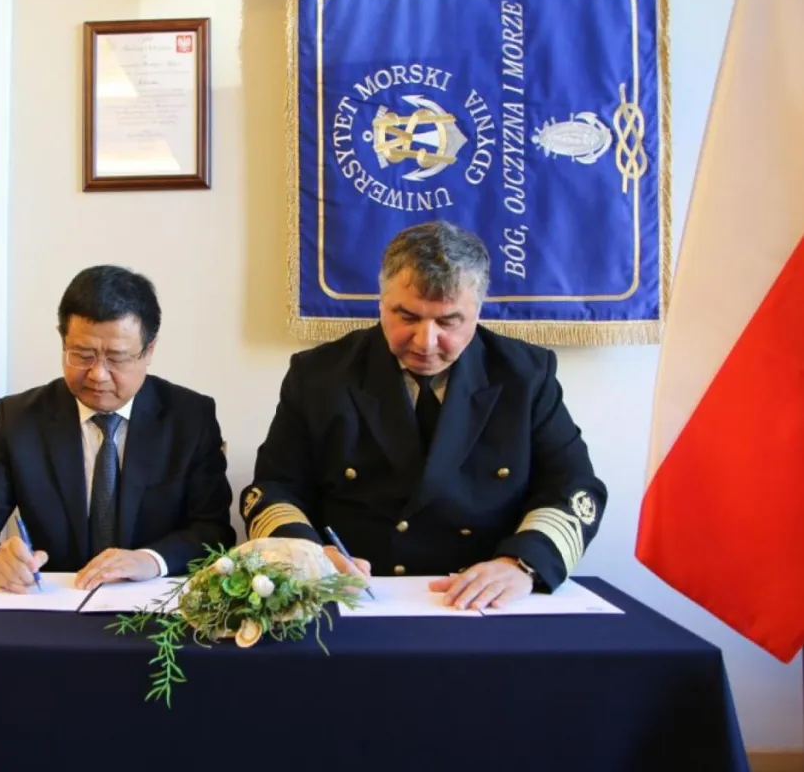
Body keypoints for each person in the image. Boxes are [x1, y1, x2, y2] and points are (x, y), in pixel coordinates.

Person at [241, 220, 606, 610]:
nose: (425, 342)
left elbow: (574, 487)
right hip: (353, 595)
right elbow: (275, 488)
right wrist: (307, 556)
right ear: (381, 302)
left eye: (448, 322)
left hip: (481, 600)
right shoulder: (319, 375)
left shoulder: (526, 376)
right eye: (407, 317)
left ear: (477, 311)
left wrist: (522, 564)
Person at [0, 265, 236, 592]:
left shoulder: (190, 419)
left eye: (116, 358)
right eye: (82, 355)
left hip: (152, 605)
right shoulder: (21, 419)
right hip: (54, 603)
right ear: (63, 341)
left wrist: (151, 560)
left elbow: (212, 530)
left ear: (148, 351)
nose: (98, 375)